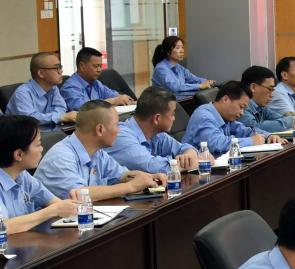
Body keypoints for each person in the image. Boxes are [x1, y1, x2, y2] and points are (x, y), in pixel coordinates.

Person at [34, 101, 164, 199]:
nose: (119, 130)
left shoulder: (97, 152)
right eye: (116, 125)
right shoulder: (61, 157)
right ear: (100, 129)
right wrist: (131, 186)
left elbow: (122, 175)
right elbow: (80, 194)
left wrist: (148, 177)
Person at [0, 114, 77, 233]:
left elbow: (53, 202)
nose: (42, 149)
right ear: (19, 154)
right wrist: (52, 211)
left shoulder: (22, 175)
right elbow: (3, 227)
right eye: (38, 144)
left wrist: (70, 205)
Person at [108, 86, 198, 174]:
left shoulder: (157, 133)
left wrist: (189, 153)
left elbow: (183, 148)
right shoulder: (121, 136)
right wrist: (186, 163)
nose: (174, 118)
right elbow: (152, 168)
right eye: (172, 114)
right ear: (157, 118)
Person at [184, 82, 266, 154]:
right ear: (225, 99)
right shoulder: (203, 116)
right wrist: (251, 141)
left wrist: (268, 136)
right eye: (241, 107)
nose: (242, 113)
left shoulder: (225, 117)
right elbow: (217, 144)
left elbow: (245, 130)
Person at [7, 52, 76, 128]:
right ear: (41, 73)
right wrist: (59, 117)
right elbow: (30, 120)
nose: (61, 71)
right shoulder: (22, 93)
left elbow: (61, 108)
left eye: (60, 67)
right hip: (19, 134)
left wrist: (58, 117)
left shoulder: (53, 88)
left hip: (46, 131)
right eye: (57, 68)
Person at [61, 47, 134, 110]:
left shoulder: (96, 83)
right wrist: (113, 101)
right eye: (95, 66)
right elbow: (83, 108)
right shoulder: (70, 87)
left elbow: (114, 95)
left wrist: (123, 98)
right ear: (82, 66)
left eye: (100, 66)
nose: (99, 70)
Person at [238, 66, 295, 134]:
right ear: (253, 87)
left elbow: (281, 118)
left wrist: (291, 120)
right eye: (269, 89)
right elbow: (255, 129)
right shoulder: (242, 107)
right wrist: (293, 120)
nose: (272, 95)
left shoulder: (260, 107)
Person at [150, 36, 214, 96]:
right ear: (168, 52)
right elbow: (175, 87)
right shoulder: (161, 68)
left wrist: (207, 82)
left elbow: (193, 78)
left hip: (178, 100)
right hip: (162, 102)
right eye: (177, 48)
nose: (182, 51)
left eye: (182, 47)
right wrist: (200, 86)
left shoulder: (179, 67)